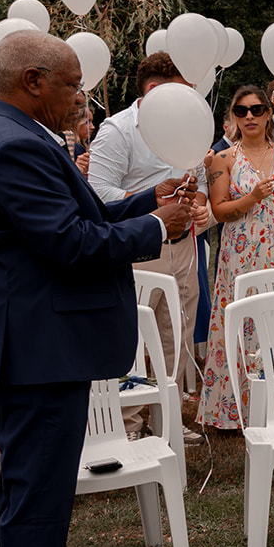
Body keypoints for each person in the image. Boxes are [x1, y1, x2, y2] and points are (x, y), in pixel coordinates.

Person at [0, 30, 193, 547]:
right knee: (34, 500)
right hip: (34, 350)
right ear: (33, 80)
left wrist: (150, 202)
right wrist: (159, 229)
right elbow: (69, 243)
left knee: (45, 492)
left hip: (41, 345)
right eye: (71, 85)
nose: (79, 97)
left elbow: (84, 212)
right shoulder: (12, 146)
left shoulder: (20, 134)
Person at [87, 52, 210, 400]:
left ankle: (167, 415)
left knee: (178, 335)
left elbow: (200, 181)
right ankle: (127, 419)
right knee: (133, 337)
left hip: (183, 247)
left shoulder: (189, 125)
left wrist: (198, 206)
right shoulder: (118, 130)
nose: (190, 100)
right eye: (182, 90)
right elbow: (98, 193)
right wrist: (154, 205)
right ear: (154, 89)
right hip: (138, 248)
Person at [198, 85, 274, 431]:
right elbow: (219, 210)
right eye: (242, 111)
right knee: (242, 320)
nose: (249, 116)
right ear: (234, 116)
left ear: (269, 114)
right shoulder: (223, 159)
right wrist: (252, 198)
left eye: (257, 109)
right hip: (242, 253)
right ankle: (235, 411)